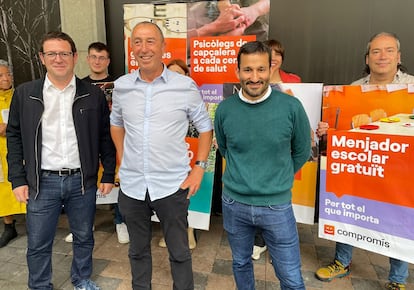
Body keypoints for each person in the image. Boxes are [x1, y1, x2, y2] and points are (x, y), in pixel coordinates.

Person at [6, 31, 116, 290]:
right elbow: (14, 137)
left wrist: (109, 173)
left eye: (64, 53)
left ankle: (82, 279)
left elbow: (104, 136)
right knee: (38, 242)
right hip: (41, 182)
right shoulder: (25, 94)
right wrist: (17, 179)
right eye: (51, 53)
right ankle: (40, 285)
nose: (58, 59)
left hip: (82, 181)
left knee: (83, 236)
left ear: (75, 57)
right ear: (41, 58)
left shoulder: (92, 94)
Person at [110, 22, 213, 290]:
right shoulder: (122, 86)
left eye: (150, 41)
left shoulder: (184, 86)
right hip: (132, 186)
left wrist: (199, 168)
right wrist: (122, 157)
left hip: (171, 185)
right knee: (137, 251)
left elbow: (205, 128)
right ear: (131, 47)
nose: (144, 48)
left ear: (163, 46)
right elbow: (116, 123)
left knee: (179, 253)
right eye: (138, 42)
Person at [315, 32, 414, 290]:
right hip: (362, 166)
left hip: (400, 172)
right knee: (348, 208)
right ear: (367, 58)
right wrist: (329, 130)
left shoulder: (412, 90)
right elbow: (346, 131)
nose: (382, 57)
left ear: (399, 56)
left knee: (399, 218)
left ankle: (397, 279)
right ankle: (341, 262)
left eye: (389, 50)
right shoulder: (353, 89)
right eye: (376, 52)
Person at [214, 40, 311, 290]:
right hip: (234, 203)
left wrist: (278, 178)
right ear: (237, 72)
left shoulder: (291, 107)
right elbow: (225, 149)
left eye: (260, 69)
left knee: (290, 275)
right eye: (247, 70)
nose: (254, 77)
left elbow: (302, 150)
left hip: (276, 206)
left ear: (271, 69)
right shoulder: (225, 110)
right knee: (240, 263)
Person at [64, 41, 129, 244]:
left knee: (119, 179)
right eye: (94, 57)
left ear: (108, 61)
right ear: (87, 59)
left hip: (115, 138)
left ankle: (121, 221)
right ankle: (85, 223)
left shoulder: (120, 86)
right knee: (86, 181)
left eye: (102, 57)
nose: (98, 61)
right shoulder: (77, 86)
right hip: (87, 141)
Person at [251, 39, 303, 260]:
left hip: (284, 148)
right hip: (256, 149)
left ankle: (277, 244)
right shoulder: (251, 82)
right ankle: (260, 240)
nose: (273, 57)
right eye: (268, 53)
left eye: (278, 54)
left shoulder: (295, 82)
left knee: (279, 202)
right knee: (257, 196)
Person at [157, 59, 197, 250]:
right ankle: (170, 232)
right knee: (168, 199)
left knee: (189, 197)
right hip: (165, 161)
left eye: (178, 75)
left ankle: (188, 231)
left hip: (191, 155)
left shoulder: (195, 98)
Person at [0, 60, 26, 248]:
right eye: (1, 76)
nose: (6, 78)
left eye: (8, 74)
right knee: (2, 188)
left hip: (18, 148)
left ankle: (33, 222)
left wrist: (10, 128)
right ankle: (9, 225)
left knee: (24, 183)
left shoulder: (20, 95)